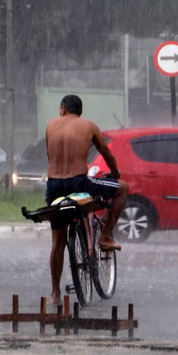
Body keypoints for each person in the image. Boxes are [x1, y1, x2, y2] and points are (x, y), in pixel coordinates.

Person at [44, 94, 129, 306]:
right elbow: (107, 153)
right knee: (123, 189)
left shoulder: (50, 126)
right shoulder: (88, 125)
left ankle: (55, 294)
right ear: (79, 113)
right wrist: (115, 172)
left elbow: (50, 156)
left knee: (58, 241)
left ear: (62, 109)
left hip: (54, 186)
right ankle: (106, 236)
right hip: (79, 183)